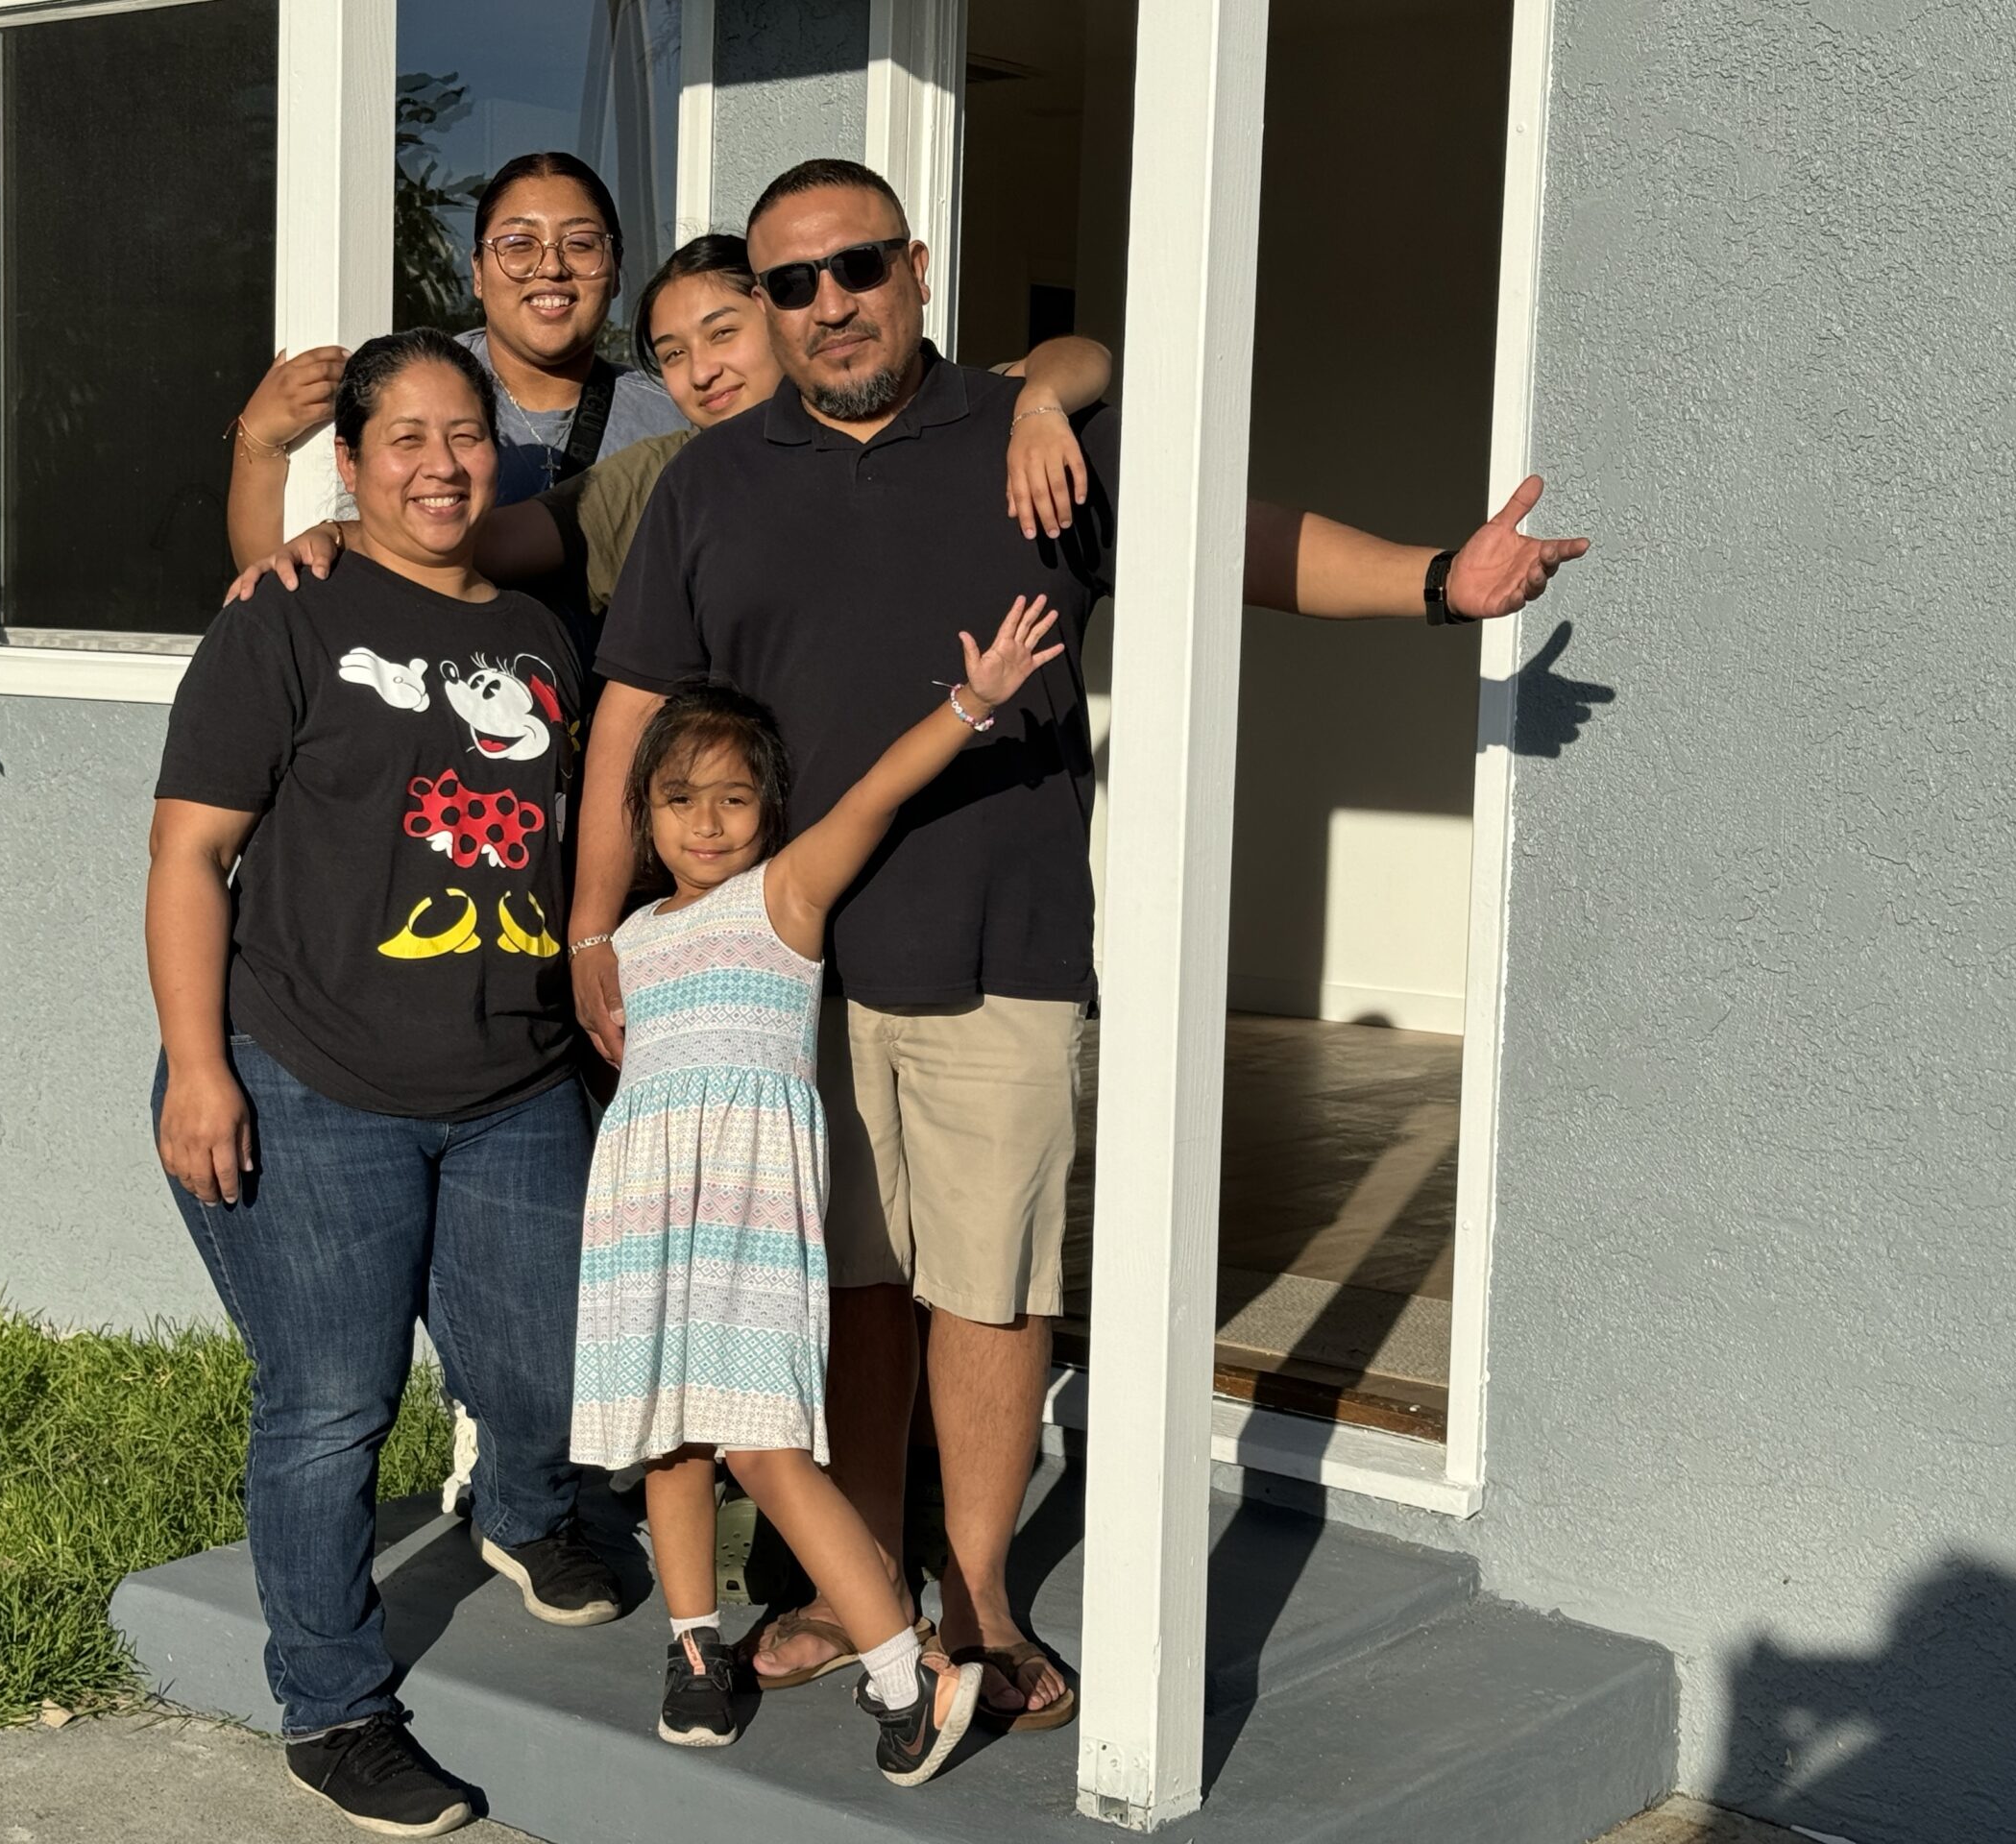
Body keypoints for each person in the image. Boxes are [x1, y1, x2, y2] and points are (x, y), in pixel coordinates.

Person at [571, 158, 1590, 1733]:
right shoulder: (713, 484)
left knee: (988, 1292)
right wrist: (593, 924)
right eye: (791, 283)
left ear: (915, 267)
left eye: (856, 267)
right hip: (786, 976)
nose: (828, 304)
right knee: (848, 1289)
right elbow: (634, 709)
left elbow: (1234, 545)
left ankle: (979, 1599)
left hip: (1001, 945)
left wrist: (1437, 584)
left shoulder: (1029, 432)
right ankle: (859, 1588)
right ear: (766, 307)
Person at [148, 330, 625, 1840]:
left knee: (544, 1368)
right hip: (309, 1073)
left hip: (513, 1079)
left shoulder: (542, 633)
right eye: (404, 438)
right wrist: (201, 1067)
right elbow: (187, 855)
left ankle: (523, 1514)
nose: (440, 463)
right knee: (330, 1404)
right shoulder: (283, 614)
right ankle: (334, 1707)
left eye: (465, 434)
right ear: (348, 464)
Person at [571, 594, 1067, 1779]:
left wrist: (972, 703)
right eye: (679, 799)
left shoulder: (781, 899)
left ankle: (905, 1671)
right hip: (647, 1221)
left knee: (762, 1447)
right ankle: (695, 1651)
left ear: (769, 811)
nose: (706, 822)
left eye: (733, 798)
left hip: (750, 1220)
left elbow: (876, 795)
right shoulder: (626, 944)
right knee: (669, 1441)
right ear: (642, 814)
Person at [232, 233, 1113, 632]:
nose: (702, 371)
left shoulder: (922, 414)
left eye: (723, 333)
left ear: (777, 314)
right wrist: (332, 531)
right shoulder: (662, 475)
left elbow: (1081, 357)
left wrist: (1039, 407)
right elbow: (463, 537)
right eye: (672, 355)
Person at [227, 151, 688, 574]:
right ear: (478, 272)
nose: (551, 267)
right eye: (519, 244)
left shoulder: (672, 416)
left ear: (616, 270)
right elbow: (283, 577)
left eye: (581, 243)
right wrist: (259, 439)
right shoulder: (407, 387)